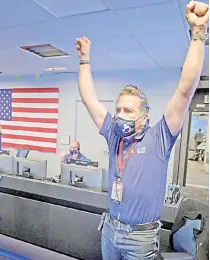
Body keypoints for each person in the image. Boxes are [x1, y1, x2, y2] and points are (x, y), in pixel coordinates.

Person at [75, 1, 209, 259]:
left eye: (128, 111)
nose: (121, 115)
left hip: (141, 238)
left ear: (144, 115)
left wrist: (199, 33)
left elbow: (185, 89)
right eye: (118, 109)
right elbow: (90, 99)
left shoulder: (160, 136)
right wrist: (84, 61)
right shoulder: (114, 135)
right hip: (110, 231)